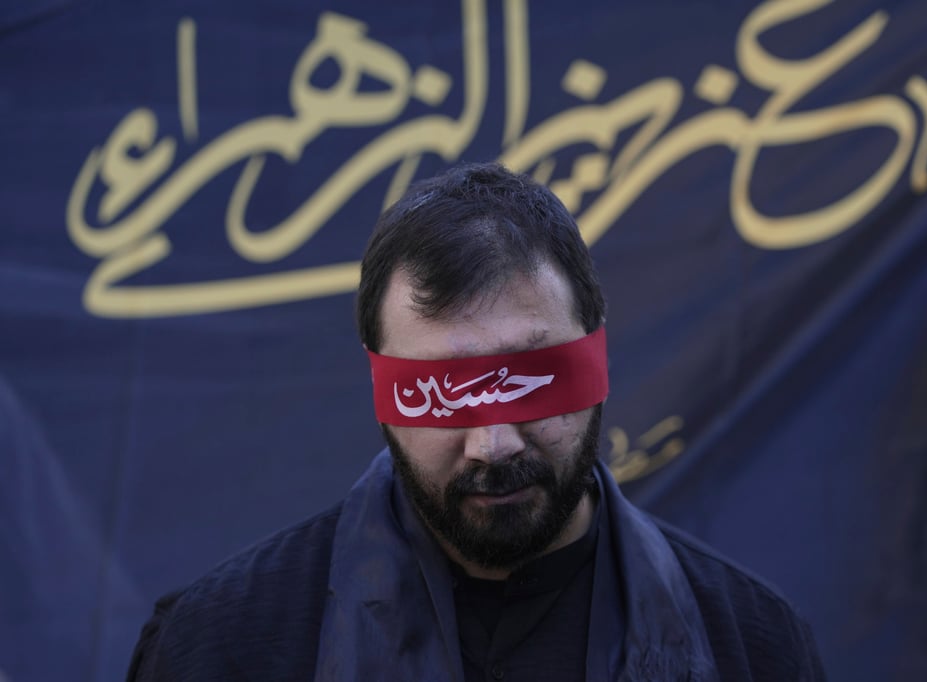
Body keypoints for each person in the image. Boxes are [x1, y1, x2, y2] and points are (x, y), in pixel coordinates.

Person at [127, 162, 826, 681]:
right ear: (379, 381)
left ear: (598, 348)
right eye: (441, 393)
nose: (493, 443)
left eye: (533, 381)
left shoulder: (753, 651)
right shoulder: (220, 649)